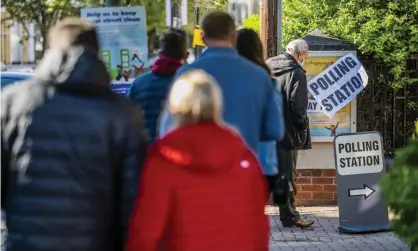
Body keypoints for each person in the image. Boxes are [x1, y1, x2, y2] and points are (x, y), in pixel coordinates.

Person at [1, 17, 148, 251]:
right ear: (97, 53)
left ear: (49, 51)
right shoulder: (122, 113)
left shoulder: (12, 102)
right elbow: (133, 197)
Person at [126, 70, 269, 251]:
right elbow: (259, 228)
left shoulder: (164, 157)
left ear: (174, 106)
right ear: (217, 104)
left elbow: (146, 232)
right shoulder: (244, 157)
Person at [158, 11, 283, 152]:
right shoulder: (259, 76)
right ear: (234, 37)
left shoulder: (186, 74)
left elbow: (168, 127)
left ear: (202, 37)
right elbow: (275, 130)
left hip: (198, 165)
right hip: (243, 164)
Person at [266, 39, 314, 228]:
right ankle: (289, 216)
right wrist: (302, 127)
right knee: (287, 174)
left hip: (268, 130)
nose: (305, 59)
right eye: (305, 56)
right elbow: (298, 106)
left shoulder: (268, 66)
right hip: (287, 132)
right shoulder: (296, 73)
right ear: (300, 54)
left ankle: (283, 212)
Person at [236, 28, 284, 195]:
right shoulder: (268, 81)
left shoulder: (226, 83)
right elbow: (276, 129)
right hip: (264, 162)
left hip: (233, 161)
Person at [129, 28, 188, 143]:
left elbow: (129, 120)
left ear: (160, 54)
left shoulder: (139, 84)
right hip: (178, 153)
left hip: (147, 152)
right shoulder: (191, 85)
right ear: (186, 55)